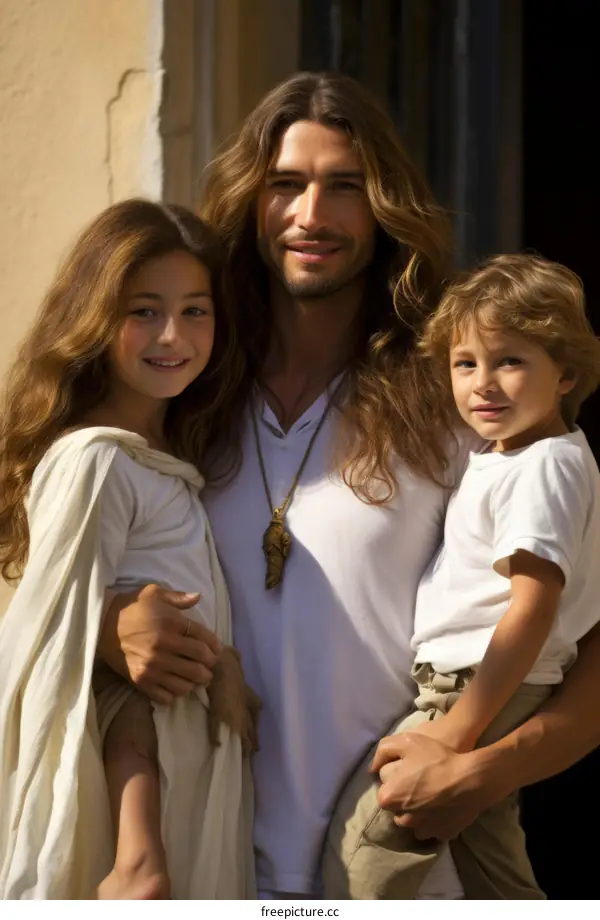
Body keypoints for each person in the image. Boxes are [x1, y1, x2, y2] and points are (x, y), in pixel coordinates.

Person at [97, 73, 600, 899]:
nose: (311, 217)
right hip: (203, 863)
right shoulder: (185, 383)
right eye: (285, 185)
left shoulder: (463, 392)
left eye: (346, 187)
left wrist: (480, 772)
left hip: (400, 868)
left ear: (385, 204)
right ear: (250, 201)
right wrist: (110, 625)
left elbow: (579, 643)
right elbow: (50, 566)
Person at [0, 199, 258, 900]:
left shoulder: (165, 458)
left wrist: (223, 667)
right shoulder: (95, 461)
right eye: (143, 310)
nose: (172, 334)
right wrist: (111, 624)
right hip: (133, 790)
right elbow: (45, 637)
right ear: (94, 317)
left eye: (195, 310)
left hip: (190, 759)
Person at [321, 253, 600, 898]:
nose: (484, 384)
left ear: (565, 373)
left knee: (362, 855)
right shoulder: (504, 455)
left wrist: (456, 727)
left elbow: (531, 609)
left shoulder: (543, 467)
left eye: (511, 360)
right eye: (465, 363)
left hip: (475, 688)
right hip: (474, 686)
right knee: (493, 874)